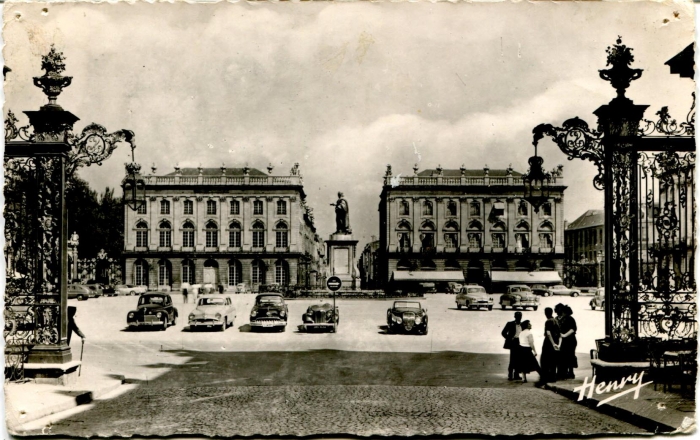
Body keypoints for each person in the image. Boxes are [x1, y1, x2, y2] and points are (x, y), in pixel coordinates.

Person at [516, 320, 545, 387]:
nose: (531, 325)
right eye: (529, 324)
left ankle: (524, 378)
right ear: (527, 325)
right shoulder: (529, 333)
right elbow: (531, 343)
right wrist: (534, 351)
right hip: (527, 350)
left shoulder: (521, 333)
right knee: (535, 364)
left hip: (521, 349)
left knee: (523, 364)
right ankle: (543, 376)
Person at [540, 307, 560, 383]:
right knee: (553, 360)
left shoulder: (548, 321)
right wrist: (557, 344)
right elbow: (559, 334)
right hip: (556, 340)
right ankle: (552, 377)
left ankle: (545, 378)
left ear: (546, 313)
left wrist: (553, 344)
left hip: (549, 342)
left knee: (545, 360)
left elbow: (548, 333)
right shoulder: (555, 320)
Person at [501, 311, 523, 380]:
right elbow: (503, 332)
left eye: (520, 317)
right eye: (517, 317)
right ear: (515, 317)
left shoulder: (523, 324)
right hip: (513, 343)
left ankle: (516, 374)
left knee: (519, 359)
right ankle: (510, 375)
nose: (519, 318)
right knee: (512, 359)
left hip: (520, 342)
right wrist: (509, 338)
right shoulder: (510, 324)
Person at [558, 304, 578, 379]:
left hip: (570, 340)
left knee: (570, 356)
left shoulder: (570, 319)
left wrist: (564, 335)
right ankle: (567, 372)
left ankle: (570, 373)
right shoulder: (564, 319)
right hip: (567, 340)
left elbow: (573, 329)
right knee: (567, 356)